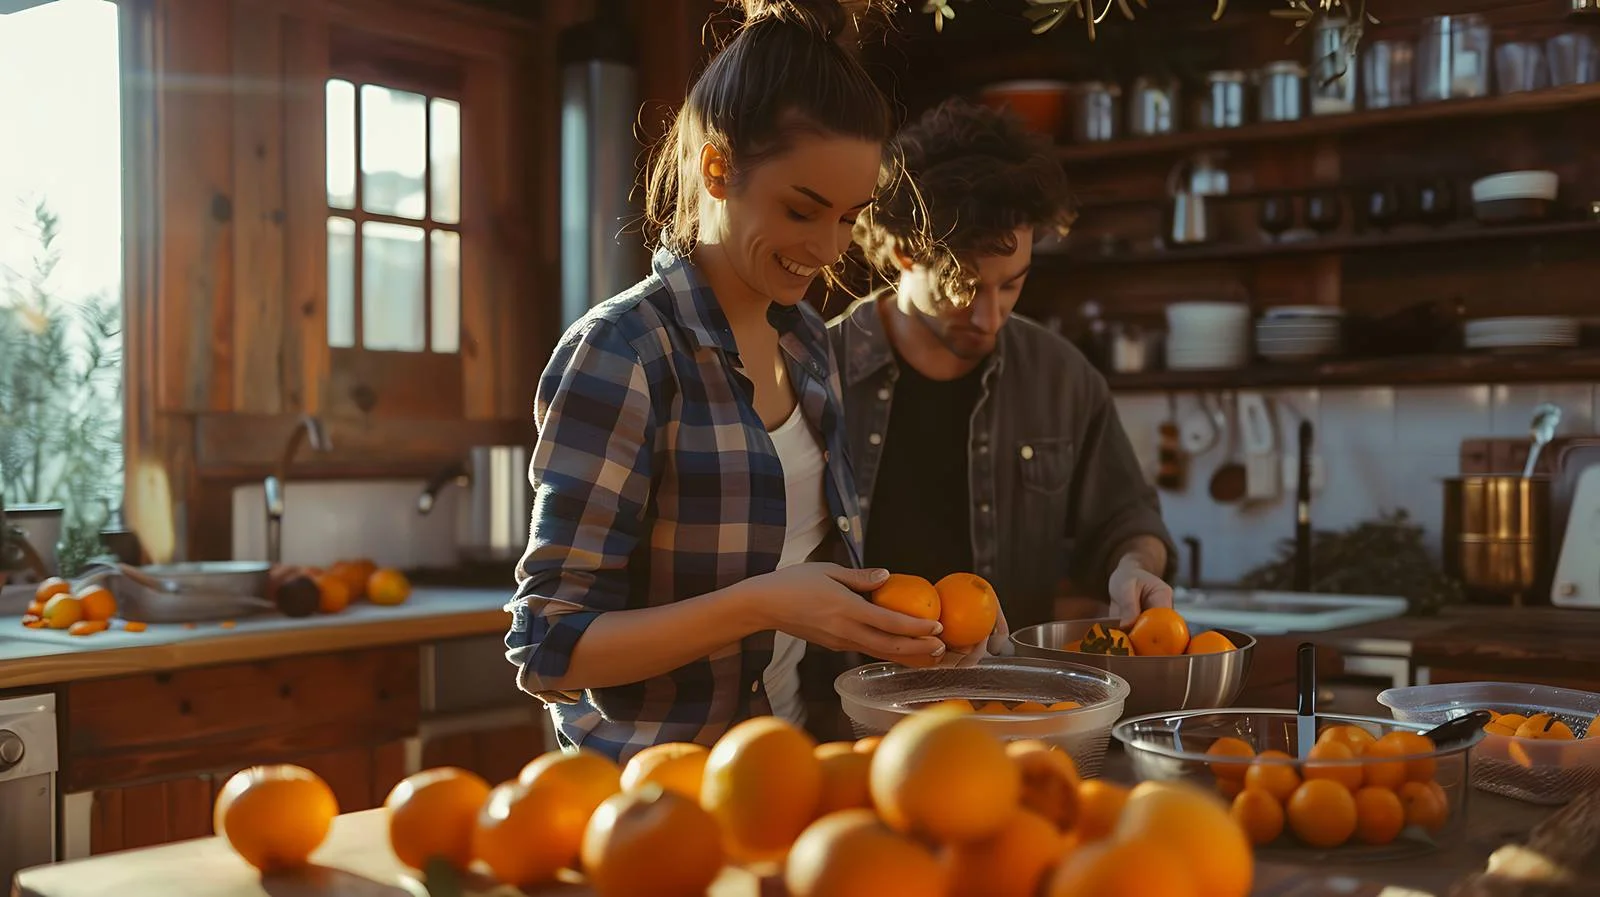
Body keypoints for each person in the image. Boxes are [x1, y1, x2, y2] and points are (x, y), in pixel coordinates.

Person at [504, 0, 946, 762]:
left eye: (848, 217)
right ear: (718, 167)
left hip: (786, 770)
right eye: (802, 209)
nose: (827, 247)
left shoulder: (807, 341)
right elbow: (551, 648)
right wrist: (758, 605)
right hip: (650, 799)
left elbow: (807, 577)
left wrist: (919, 624)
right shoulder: (625, 353)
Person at [833, 98, 1176, 653]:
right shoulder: (818, 370)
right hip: (846, 712)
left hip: (1012, 702)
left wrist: (1133, 567)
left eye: (1013, 284)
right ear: (902, 252)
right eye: (965, 288)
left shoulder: (1061, 378)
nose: (990, 318)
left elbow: (1127, 518)